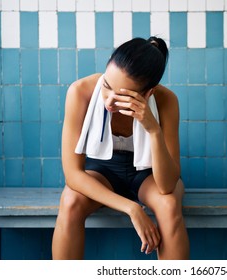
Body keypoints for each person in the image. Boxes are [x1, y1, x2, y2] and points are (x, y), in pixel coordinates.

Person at [52, 37, 190, 260]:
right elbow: (73, 175)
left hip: (149, 174)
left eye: (124, 96)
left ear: (148, 93)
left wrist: (153, 129)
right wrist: (132, 208)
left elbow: (166, 185)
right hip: (103, 171)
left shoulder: (166, 101)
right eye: (107, 86)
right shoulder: (80, 92)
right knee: (70, 201)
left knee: (169, 204)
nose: (109, 101)